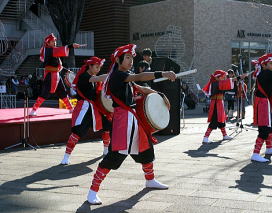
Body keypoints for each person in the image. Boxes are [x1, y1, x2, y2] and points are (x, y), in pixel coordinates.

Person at [86, 44, 176, 205]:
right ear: (118, 60)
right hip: (122, 121)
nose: (131, 60)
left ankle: (150, 180)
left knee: (145, 149)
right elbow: (140, 77)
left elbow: (141, 87)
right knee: (115, 155)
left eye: (132, 58)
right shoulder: (117, 76)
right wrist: (162, 73)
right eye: (127, 57)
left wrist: (160, 94)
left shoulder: (125, 77)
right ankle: (92, 191)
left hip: (132, 119)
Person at [60, 57, 112, 165]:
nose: (98, 69)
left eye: (99, 67)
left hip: (94, 108)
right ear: (90, 66)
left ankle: (106, 151)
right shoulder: (84, 77)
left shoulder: (92, 77)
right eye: (96, 67)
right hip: (84, 108)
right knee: (77, 132)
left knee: (107, 125)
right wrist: (113, 75)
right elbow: (98, 78)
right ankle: (66, 156)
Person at [29, 33, 81, 116]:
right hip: (50, 75)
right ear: (48, 43)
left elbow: (58, 61)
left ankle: (70, 108)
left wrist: (60, 68)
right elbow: (59, 51)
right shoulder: (49, 50)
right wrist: (71, 46)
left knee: (63, 92)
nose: (55, 43)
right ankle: (33, 110)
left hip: (56, 75)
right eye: (52, 41)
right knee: (44, 93)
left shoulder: (52, 50)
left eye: (55, 41)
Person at [202, 70, 246, 143]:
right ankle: (205, 137)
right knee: (214, 120)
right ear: (217, 78)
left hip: (219, 103)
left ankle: (225, 135)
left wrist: (238, 79)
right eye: (223, 77)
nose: (225, 78)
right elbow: (227, 82)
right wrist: (239, 77)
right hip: (216, 104)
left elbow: (226, 83)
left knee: (221, 120)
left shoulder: (217, 83)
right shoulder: (215, 83)